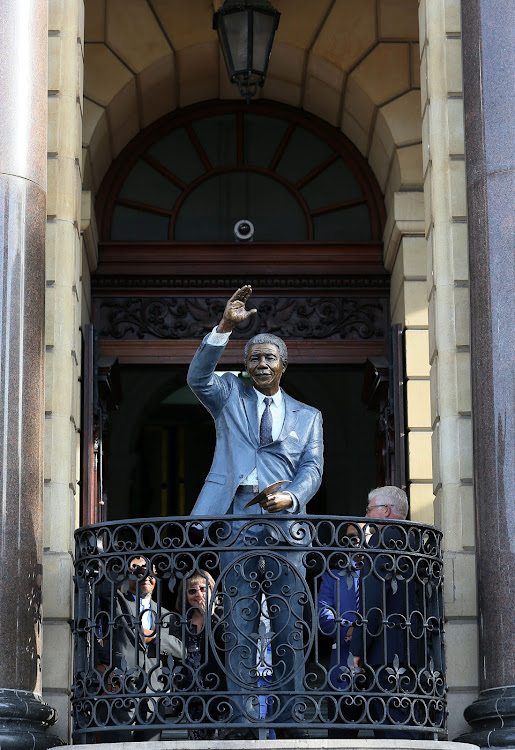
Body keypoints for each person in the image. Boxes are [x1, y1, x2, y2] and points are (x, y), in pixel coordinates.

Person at [187, 285, 324, 740]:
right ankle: (243, 721)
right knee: (241, 622)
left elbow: (313, 467)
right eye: (254, 358)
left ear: (284, 366)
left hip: (286, 527)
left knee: (288, 624)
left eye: (270, 358)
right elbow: (197, 378)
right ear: (245, 365)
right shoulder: (229, 393)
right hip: (236, 521)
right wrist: (225, 326)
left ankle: (289, 719)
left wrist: (292, 497)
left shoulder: (308, 415)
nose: (261, 364)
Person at [351, 486, 425, 739]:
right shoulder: (415, 539)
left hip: (384, 655)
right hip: (412, 651)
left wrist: (358, 648)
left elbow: (372, 602)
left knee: (392, 730)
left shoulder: (384, 540)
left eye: (369, 509)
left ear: (385, 510)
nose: (367, 515)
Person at [95, 557, 182, 742]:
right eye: (137, 569)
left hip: (154, 695)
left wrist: (156, 636)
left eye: (149, 571)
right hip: (122, 690)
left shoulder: (167, 615)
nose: (145, 574)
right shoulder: (117, 602)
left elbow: (182, 649)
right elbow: (102, 589)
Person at [174, 569, 226, 740]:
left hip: (222, 691)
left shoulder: (224, 616)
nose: (198, 594)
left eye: (203, 588)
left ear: (212, 590)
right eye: (192, 591)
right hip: (193, 694)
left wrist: (209, 617)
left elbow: (225, 644)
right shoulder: (181, 622)